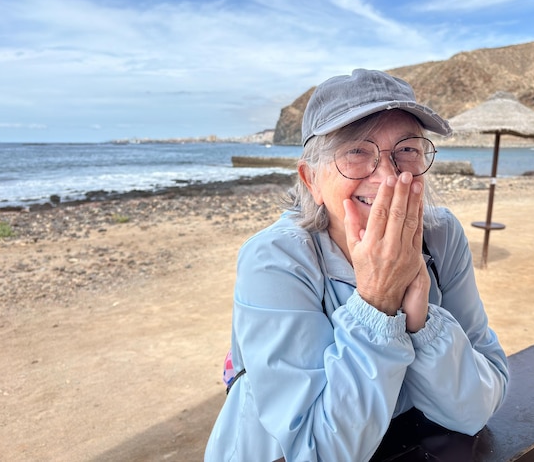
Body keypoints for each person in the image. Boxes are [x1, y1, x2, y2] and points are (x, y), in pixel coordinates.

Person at [205, 69, 509, 462]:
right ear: (311, 179)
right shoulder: (276, 260)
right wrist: (379, 302)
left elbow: (478, 406)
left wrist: (422, 324)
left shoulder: (441, 234)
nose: (387, 177)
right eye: (355, 151)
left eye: (407, 150)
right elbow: (317, 451)